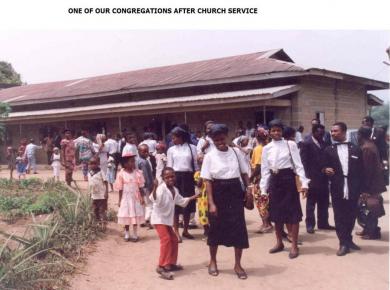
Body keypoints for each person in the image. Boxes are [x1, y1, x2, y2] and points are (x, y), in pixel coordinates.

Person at [200, 123, 252, 279]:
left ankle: (238, 264)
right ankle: (213, 261)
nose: (220, 142)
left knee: (238, 229)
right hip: (218, 192)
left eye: (222, 139)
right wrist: (212, 203)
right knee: (215, 229)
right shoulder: (209, 156)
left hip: (235, 192)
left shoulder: (236, 152)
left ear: (227, 137)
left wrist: (249, 189)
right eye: (216, 140)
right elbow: (207, 181)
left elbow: (244, 173)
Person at [260, 119, 309, 259]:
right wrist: (264, 189)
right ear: (269, 132)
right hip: (274, 182)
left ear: (282, 131)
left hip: (288, 180)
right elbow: (264, 170)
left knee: (292, 215)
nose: (276, 133)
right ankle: (279, 242)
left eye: (278, 130)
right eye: (273, 130)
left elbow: (299, 165)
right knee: (276, 214)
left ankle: (294, 245)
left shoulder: (290, 144)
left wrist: (304, 183)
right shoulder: (266, 148)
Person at [150, 167, 199, 280]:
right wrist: (155, 187)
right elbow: (155, 199)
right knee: (166, 239)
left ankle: (171, 263)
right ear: (163, 178)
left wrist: (193, 197)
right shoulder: (160, 189)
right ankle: (161, 266)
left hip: (166, 220)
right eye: (167, 177)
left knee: (173, 239)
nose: (170, 179)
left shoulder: (175, 190)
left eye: (172, 176)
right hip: (159, 219)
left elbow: (181, 201)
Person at [323, 122, 362, 256]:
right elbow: (321, 166)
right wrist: (324, 169)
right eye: (332, 131)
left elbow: (362, 171)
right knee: (339, 215)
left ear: (344, 132)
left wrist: (363, 190)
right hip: (337, 186)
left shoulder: (356, 149)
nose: (332, 133)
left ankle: (349, 239)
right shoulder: (328, 150)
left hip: (353, 187)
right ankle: (343, 243)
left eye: (335, 131)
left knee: (351, 214)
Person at [300, 124, 335, 233]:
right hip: (312, 178)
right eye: (319, 133)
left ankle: (323, 223)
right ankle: (310, 225)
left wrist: (326, 170)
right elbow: (304, 163)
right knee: (311, 203)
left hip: (324, 179)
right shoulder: (306, 144)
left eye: (323, 133)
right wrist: (306, 179)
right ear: (314, 132)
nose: (321, 135)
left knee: (324, 202)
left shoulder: (324, 144)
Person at [167, 126, 198, 242]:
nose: (172, 140)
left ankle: (185, 230)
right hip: (176, 178)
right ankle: (176, 231)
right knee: (176, 205)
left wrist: (197, 178)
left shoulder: (192, 148)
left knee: (187, 204)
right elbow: (169, 166)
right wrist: (169, 181)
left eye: (174, 137)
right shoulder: (171, 150)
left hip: (188, 178)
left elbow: (195, 164)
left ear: (181, 137)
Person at [356, 126, 386, 240]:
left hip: (371, 184)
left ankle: (372, 232)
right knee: (368, 207)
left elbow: (367, 170)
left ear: (360, 135)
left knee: (369, 208)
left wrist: (365, 188)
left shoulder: (367, 148)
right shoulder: (371, 145)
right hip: (374, 183)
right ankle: (367, 229)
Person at [115, 153, 146, 242]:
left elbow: (140, 187)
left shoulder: (137, 173)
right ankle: (127, 233)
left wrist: (142, 198)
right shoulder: (121, 174)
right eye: (131, 162)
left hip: (135, 198)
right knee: (127, 216)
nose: (133, 163)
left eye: (133, 161)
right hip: (126, 198)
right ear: (125, 163)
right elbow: (120, 189)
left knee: (135, 216)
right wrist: (120, 200)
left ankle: (135, 234)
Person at [250, 126, 273, 233]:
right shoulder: (268, 147)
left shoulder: (259, 149)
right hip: (267, 178)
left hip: (259, 179)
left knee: (260, 201)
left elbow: (258, 166)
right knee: (265, 201)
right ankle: (267, 223)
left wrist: (251, 178)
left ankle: (266, 224)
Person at [361, 116, 389, 185]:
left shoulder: (379, 131)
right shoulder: (363, 131)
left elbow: (383, 146)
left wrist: (384, 161)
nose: (362, 124)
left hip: (377, 157)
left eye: (363, 122)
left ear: (369, 122)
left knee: (376, 178)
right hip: (367, 157)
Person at [88, 156, 108, 228]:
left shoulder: (100, 172)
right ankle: (97, 222)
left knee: (101, 210)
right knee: (95, 209)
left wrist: (106, 192)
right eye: (91, 163)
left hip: (101, 195)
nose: (93, 165)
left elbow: (105, 182)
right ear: (89, 164)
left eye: (95, 163)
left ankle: (103, 224)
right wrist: (89, 193)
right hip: (94, 195)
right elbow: (90, 184)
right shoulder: (89, 173)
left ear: (98, 164)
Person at [137, 144, 155, 228]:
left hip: (140, 186)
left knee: (143, 203)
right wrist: (150, 186)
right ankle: (147, 219)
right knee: (149, 203)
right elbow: (146, 175)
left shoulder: (138, 160)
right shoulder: (143, 162)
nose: (146, 153)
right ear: (139, 151)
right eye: (144, 151)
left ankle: (142, 220)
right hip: (146, 186)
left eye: (147, 151)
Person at [194, 157, 209, 239]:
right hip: (203, 198)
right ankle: (206, 231)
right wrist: (203, 173)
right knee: (203, 215)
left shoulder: (211, 171)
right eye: (200, 163)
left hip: (211, 196)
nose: (202, 164)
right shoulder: (198, 174)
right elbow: (199, 185)